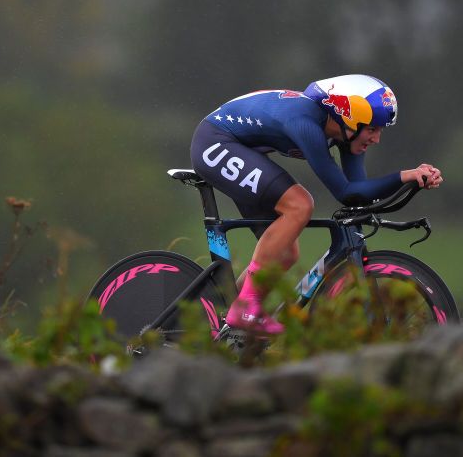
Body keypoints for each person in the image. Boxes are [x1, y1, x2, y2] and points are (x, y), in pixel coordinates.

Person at [189, 74, 443, 335]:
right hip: (215, 142)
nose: (376, 138)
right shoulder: (306, 124)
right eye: (372, 129)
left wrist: (413, 181)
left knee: (286, 254)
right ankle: (245, 308)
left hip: (240, 148)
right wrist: (404, 176)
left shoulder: (345, 134)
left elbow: (359, 196)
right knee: (300, 205)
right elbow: (345, 192)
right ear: (350, 118)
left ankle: (224, 322)